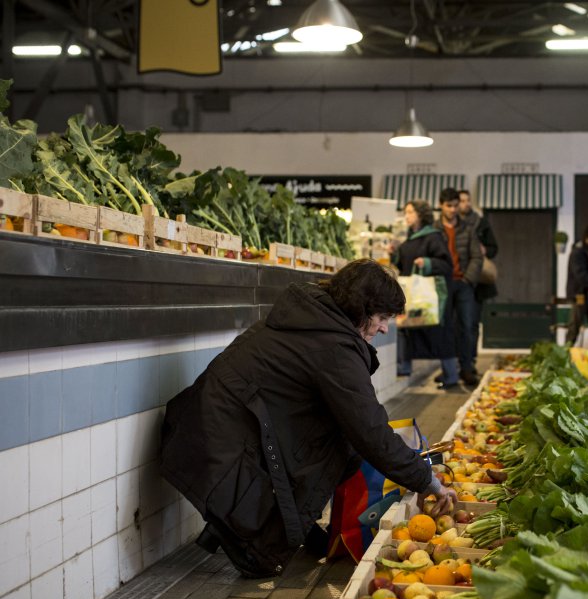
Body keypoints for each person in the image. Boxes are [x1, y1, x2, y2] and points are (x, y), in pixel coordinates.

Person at [160, 259, 457, 578]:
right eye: (382, 317)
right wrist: (428, 481)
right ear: (362, 309)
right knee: (339, 448)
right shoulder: (333, 346)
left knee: (344, 445)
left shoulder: (316, 318)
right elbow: (370, 429)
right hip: (216, 435)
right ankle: (252, 541)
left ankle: (285, 527)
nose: (385, 328)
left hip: (213, 423)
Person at [393, 200, 460, 389]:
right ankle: (405, 367)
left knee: (439, 333)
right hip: (415, 295)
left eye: (409, 212)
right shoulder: (410, 238)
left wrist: (428, 262)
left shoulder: (433, 237)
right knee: (408, 328)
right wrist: (394, 254)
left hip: (432, 297)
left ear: (420, 214)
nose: (406, 216)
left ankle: (450, 375)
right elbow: (403, 265)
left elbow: (447, 265)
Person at [435, 188, 483, 385]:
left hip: (463, 283)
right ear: (441, 206)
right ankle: (448, 369)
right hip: (443, 284)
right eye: (449, 206)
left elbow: (477, 257)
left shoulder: (468, 229)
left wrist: (468, 279)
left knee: (467, 326)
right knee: (445, 328)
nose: (453, 209)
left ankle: (466, 367)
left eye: (456, 205)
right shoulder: (434, 229)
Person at [459, 189, 498, 362]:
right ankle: (458, 361)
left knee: (472, 322)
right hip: (458, 278)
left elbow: (494, 248)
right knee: (457, 323)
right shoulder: (453, 225)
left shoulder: (481, 223)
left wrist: (484, 249)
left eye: (468, 200)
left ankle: (470, 359)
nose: (465, 204)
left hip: (478, 283)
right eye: (462, 200)